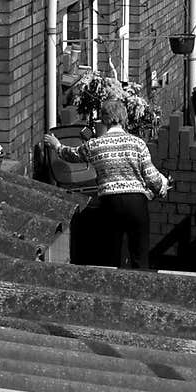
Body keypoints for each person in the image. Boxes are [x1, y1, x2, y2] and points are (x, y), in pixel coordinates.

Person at [42, 98, 173, 270]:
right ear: (124, 119)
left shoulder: (95, 145)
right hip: (136, 203)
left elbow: (71, 155)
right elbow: (152, 177)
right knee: (140, 258)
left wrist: (56, 145)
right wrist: (162, 189)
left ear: (104, 120)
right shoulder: (138, 143)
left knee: (111, 257)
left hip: (111, 204)